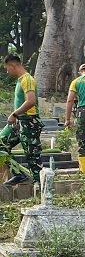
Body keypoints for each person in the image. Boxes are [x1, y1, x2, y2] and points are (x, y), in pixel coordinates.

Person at [0, 54, 42, 185]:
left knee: (32, 157)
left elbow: (31, 101)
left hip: (29, 121)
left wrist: (15, 114)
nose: (7, 72)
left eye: (7, 69)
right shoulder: (20, 80)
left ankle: (40, 186)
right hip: (18, 122)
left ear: (13, 65)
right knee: (2, 145)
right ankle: (18, 173)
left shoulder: (27, 79)